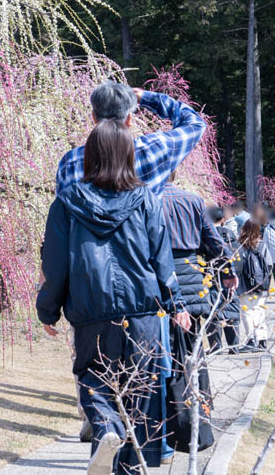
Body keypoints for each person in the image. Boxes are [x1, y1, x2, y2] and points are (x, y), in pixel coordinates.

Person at [38, 119, 191, 475]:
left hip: (92, 313)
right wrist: (177, 304)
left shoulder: (67, 203)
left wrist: (48, 311)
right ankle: (128, 465)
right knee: (138, 399)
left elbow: (55, 264)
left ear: (89, 156)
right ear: (128, 156)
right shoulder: (148, 202)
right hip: (142, 316)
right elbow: (161, 260)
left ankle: (106, 428)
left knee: (94, 379)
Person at [55, 82, 206, 197]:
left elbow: (62, 217)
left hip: (84, 239)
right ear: (129, 118)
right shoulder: (154, 149)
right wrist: (147, 98)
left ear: (94, 117)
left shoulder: (71, 162)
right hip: (140, 237)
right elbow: (195, 124)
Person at [159, 176, 235, 354]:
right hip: (191, 271)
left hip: (162, 273)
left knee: (166, 344)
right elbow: (214, 241)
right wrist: (228, 270)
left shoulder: (149, 200)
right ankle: (200, 381)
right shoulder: (193, 200)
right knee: (193, 341)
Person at [206, 206, 242, 352]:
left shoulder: (205, 237)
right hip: (230, 277)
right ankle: (234, 346)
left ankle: (215, 345)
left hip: (211, 278)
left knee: (213, 311)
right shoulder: (230, 236)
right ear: (222, 220)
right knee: (232, 309)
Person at [237, 217, 272, 351]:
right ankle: (262, 340)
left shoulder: (240, 245)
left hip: (244, 284)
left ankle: (250, 340)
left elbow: (237, 265)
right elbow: (269, 265)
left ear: (243, 230)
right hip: (261, 284)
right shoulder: (262, 246)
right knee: (259, 311)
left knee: (247, 312)